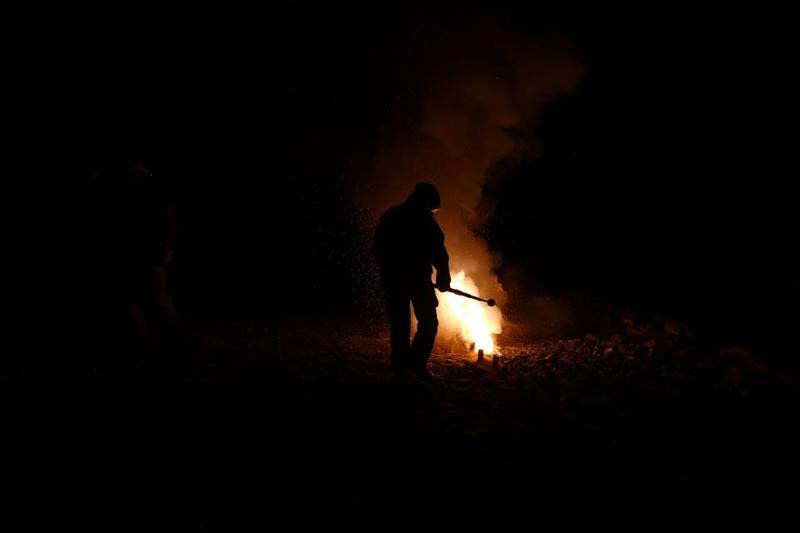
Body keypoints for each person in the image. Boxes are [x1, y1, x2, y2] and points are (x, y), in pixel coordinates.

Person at [372, 182, 451, 382]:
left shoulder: (398, 216)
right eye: (432, 208)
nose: (432, 212)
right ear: (423, 201)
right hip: (403, 280)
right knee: (413, 324)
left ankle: (410, 365)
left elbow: (439, 252)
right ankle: (406, 367)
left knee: (415, 324)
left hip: (410, 280)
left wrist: (443, 274)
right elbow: (379, 249)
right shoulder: (406, 219)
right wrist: (441, 275)